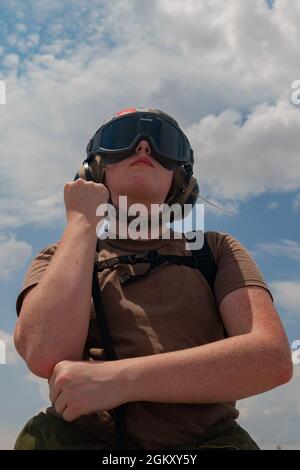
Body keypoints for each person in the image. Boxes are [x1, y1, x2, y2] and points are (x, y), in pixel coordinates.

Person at [13, 107, 293, 450]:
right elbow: (44, 352)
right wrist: (81, 222)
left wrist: (122, 380)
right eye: (122, 139)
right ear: (96, 169)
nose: (143, 147)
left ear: (180, 176)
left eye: (163, 143)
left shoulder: (215, 251)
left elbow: (270, 360)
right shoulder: (57, 257)